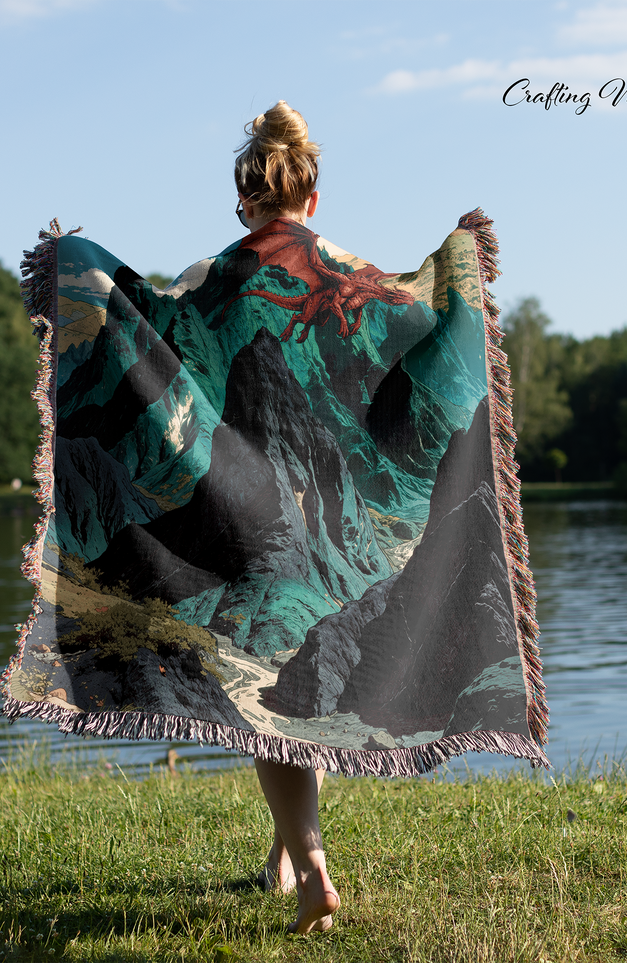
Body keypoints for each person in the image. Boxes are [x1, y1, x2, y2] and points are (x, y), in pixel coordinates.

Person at [233, 101, 339, 936]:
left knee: (262, 703)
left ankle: (311, 869)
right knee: (297, 691)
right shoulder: (348, 272)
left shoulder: (219, 276)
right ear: (312, 194)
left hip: (247, 518)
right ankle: (280, 856)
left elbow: (148, 340)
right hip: (332, 522)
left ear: (245, 201)